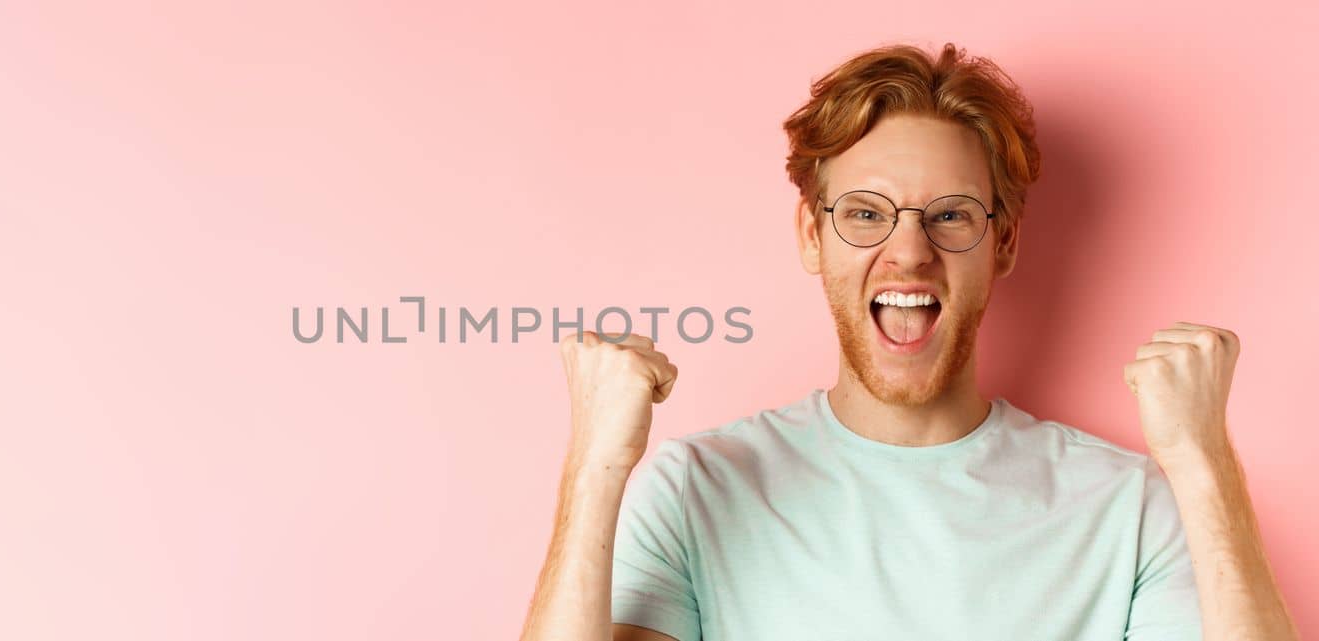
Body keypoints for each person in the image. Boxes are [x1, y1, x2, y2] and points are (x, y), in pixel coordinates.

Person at [517, 43, 1299, 641]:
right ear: (812, 235)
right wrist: (594, 468)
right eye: (865, 212)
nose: (909, 252)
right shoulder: (699, 488)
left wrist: (1204, 464)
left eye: (952, 213)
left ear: (1005, 243)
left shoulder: (1127, 506)